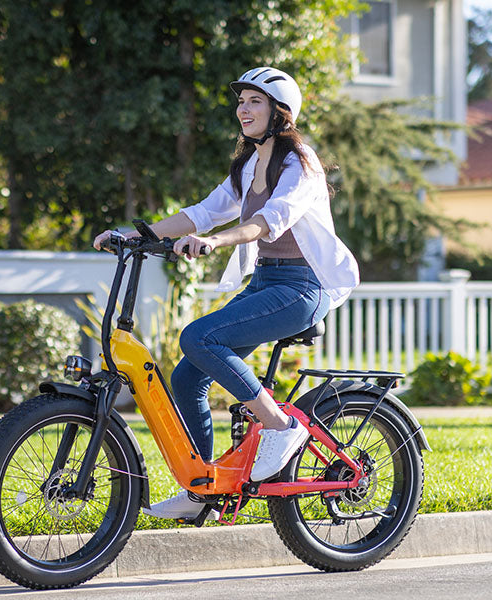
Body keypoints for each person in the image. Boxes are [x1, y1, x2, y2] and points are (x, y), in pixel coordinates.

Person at [92, 66, 359, 519]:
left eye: (255, 101)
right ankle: (203, 491)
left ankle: (280, 425)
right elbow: (202, 213)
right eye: (241, 102)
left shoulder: (301, 163)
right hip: (267, 282)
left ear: (281, 112)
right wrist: (132, 235)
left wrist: (216, 242)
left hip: (302, 286)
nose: (243, 109)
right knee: (187, 377)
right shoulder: (249, 165)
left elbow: (274, 218)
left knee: (198, 338)